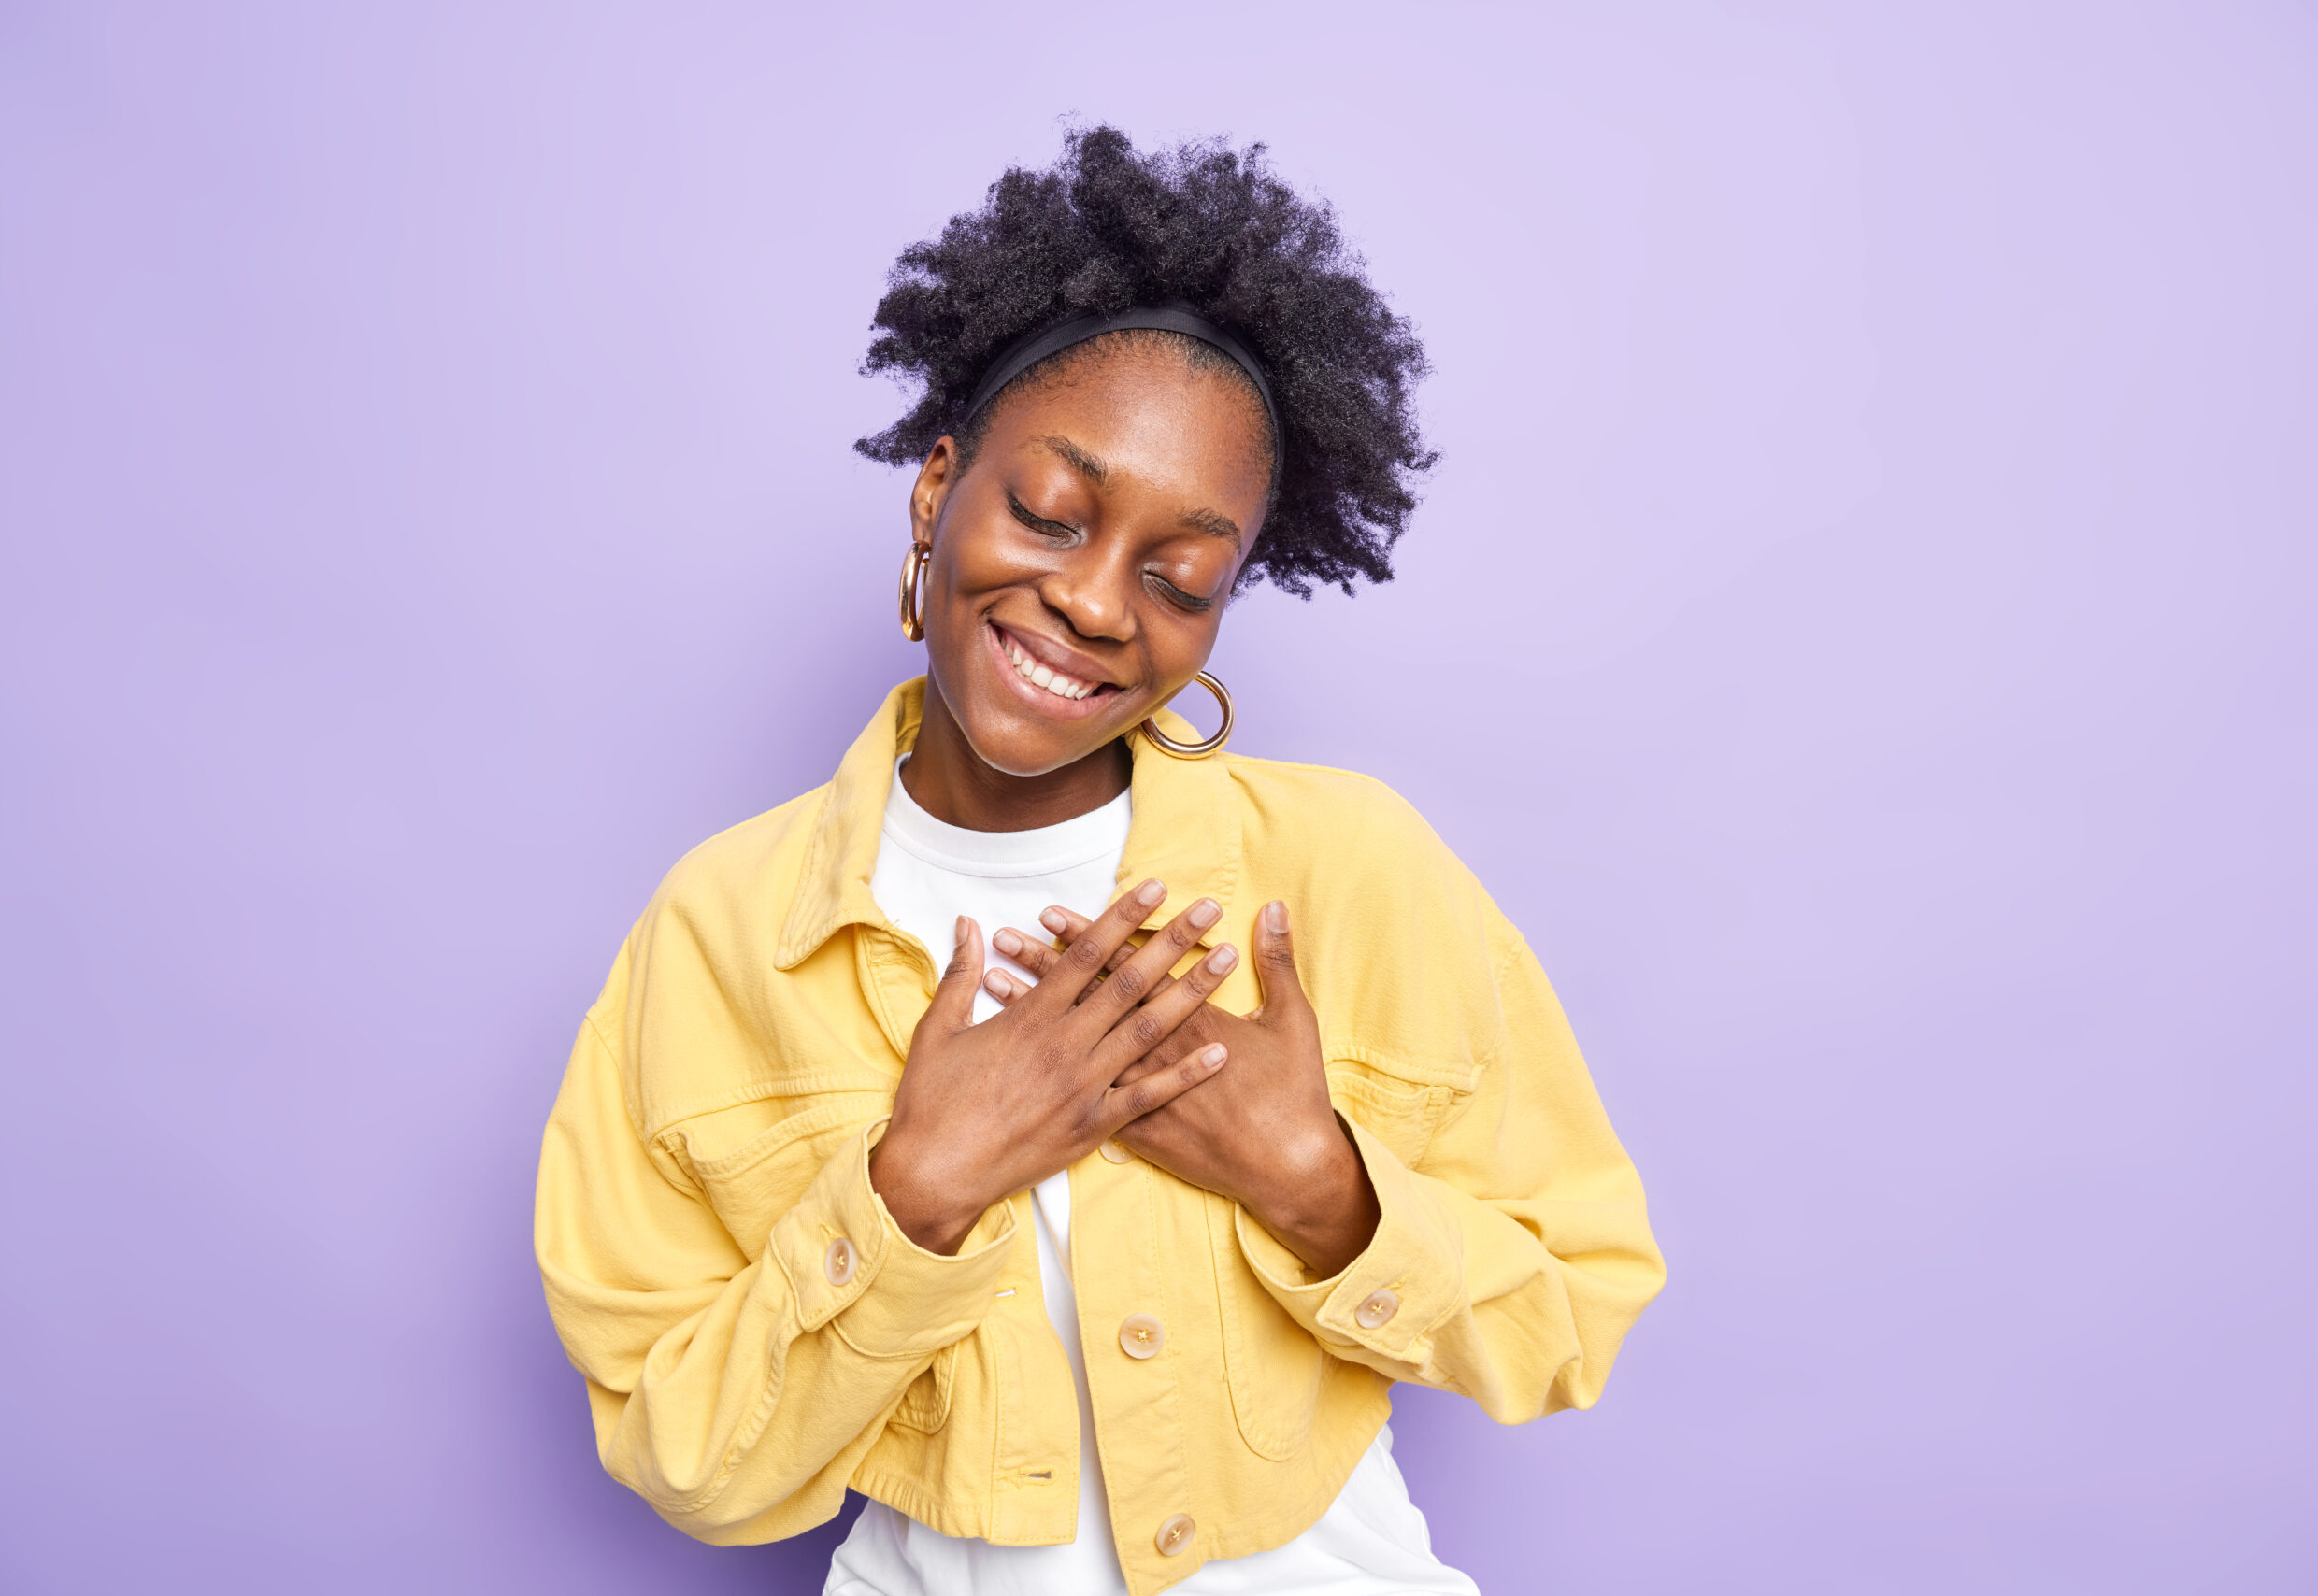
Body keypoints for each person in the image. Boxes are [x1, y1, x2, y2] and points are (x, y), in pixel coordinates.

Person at [535, 127, 1665, 1596]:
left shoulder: (1348, 871)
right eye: (1051, 515)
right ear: (938, 492)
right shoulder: (723, 931)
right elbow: (686, 1460)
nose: (1088, 601)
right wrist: (913, 1192)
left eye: (1179, 578)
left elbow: (1575, 1307)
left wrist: (1321, 1184)